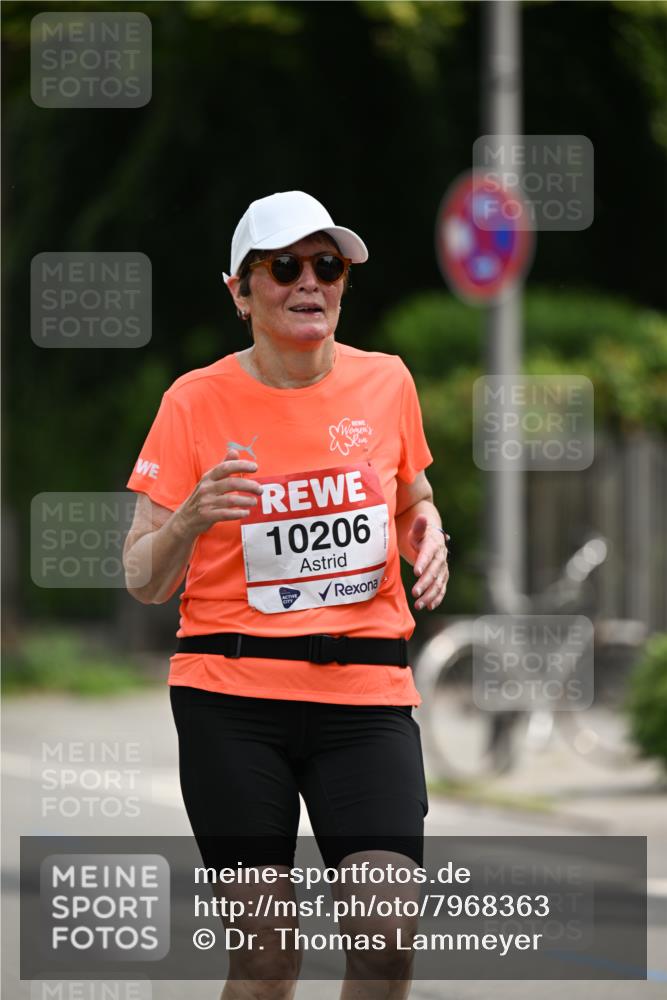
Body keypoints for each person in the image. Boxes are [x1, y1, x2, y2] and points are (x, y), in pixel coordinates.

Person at [123, 190, 449, 1000]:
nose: (310, 282)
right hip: (232, 698)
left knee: (384, 935)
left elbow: (411, 494)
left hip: (364, 694)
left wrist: (426, 527)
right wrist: (192, 517)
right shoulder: (193, 402)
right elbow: (143, 576)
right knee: (267, 957)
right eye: (285, 267)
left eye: (327, 265)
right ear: (239, 290)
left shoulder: (388, 383)